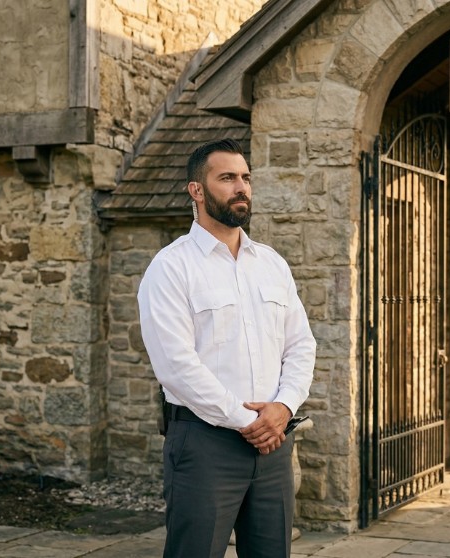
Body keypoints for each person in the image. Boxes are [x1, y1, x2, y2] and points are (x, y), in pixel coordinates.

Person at [137, 138, 316, 558]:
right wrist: (247, 422)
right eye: (227, 178)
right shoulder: (171, 267)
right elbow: (177, 366)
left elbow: (301, 345)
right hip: (204, 446)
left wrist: (283, 408)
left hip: (274, 447)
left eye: (246, 177)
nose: (242, 187)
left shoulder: (271, 263)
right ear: (196, 190)